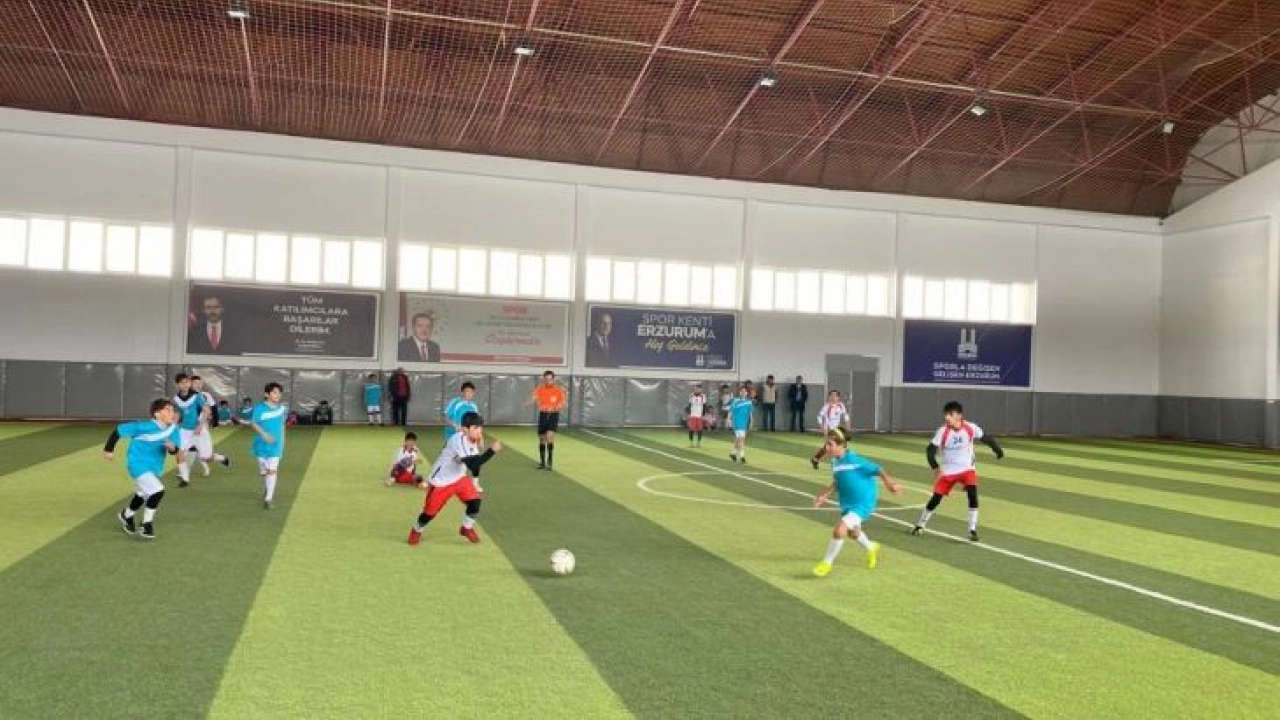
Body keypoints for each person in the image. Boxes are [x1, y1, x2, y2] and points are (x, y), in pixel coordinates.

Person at [812, 431, 903, 577]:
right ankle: (871, 547)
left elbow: (878, 469)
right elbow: (837, 482)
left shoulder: (855, 460)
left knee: (839, 530)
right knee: (853, 533)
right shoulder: (835, 462)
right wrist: (825, 496)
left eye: (830, 444)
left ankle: (826, 563)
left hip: (863, 503)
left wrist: (890, 484)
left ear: (841, 445)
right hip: (848, 503)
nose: (826, 448)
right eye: (826, 444)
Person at [912, 401, 1004, 542]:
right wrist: (935, 467)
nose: (947, 417)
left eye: (950, 414)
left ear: (959, 415)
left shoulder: (970, 427)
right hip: (948, 471)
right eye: (945, 414)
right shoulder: (942, 431)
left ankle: (972, 530)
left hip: (967, 469)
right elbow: (930, 450)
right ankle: (920, 525)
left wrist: (998, 450)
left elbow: (986, 438)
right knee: (936, 499)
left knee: (972, 493)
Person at [408, 412, 501, 546]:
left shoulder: (472, 439)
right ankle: (416, 530)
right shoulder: (458, 441)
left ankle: (466, 528)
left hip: (459, 478)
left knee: (475, 502)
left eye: (480, 427)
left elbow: (475, 460)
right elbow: (474, 464)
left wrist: (475, 482)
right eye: (476, 427)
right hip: (441, 481)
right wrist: (492, 451)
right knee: (429, 513)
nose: (479, 431)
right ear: (465, 429)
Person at [103, 398, 183, 540]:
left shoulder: (173, 430)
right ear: (157, 414)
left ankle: (126, 515)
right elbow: (118, 431)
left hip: (154, 467)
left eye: (173, 410)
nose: (172, 413)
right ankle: (146, 524)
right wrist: (109, 450)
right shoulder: (143, 426)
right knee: (157, 491)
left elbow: (174, 450)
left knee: (143, 494)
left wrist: (172, 448)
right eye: (168, 410)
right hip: (137, 464)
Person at [251, 382, 288, 510]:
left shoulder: (282, 409)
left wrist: (283, 443)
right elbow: (254, 423)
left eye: (279, 393)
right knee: (265, 472)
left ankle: (269, 498)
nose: (278, 395)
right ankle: (268, 488)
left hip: (276, 446)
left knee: (272, 471)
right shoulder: (259, 408)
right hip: (261, 445)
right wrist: (264, 434)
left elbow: (282, 426)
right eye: (274, 392)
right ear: (266, 394)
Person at [189, 375, 231, 477]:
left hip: (201, 426)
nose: (198, 385)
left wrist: (215, 423)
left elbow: (214, 408)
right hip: (188, 427)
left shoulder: (205, 395)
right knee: (191, 449)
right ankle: (199, 470)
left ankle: (222, 458)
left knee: (202, 452)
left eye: (200, 383)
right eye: (195, 383)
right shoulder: (185, 396)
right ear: (190, 384)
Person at [528, 371, 567, 470]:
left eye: (550, 379)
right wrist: (529, 402)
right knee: (542, 439)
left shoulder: (558, 390)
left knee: (549, 437)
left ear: (553, 379)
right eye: (546, 379)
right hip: (543, 415)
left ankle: (550, 462)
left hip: (553, 415)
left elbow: (563, 403)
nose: (548, 381)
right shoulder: (540, 389)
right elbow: (533, 397)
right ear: (543, 379)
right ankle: (542, 462)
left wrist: (558, 406)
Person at [171, 373, 204, 488]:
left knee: (207, 457)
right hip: (184, 430)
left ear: (190, 383)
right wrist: (174, 424)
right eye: (182, 383)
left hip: (199, 430)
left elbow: (207, 411)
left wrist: (200, 425)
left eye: (187, 382)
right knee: (179, 452)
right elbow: (177, 414)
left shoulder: (197, 396)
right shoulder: (176, 399)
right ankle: (185, 478)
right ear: (177, 385)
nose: (185, 385)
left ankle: (222, 458)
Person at [811, 390, 852, 469]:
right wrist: (823, 429)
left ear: (838, 397)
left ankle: (815, 459)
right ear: (829, 397)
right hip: (829, 429)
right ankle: (836, 463)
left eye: (835, 396)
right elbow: (819, 417)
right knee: (835, 446)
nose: (833, 397)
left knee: (830, 447)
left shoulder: (841, 405)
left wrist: (847, 427)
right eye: (831, 395)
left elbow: (846, 416)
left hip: (837, 429)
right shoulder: (827, 406)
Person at [727, 385, 754, 464]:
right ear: (739, 392)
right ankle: (742, 456)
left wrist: (751, 421)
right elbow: (730, 411)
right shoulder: (735, 401)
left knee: (739, 439)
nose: (743, 393)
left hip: (744, 423)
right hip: (736, 422)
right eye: (741, 391)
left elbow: (750, 413)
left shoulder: (749, 402)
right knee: (741, 439)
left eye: (744, 391)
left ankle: (733, 453)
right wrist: (728, 420)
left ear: (746, 393)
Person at [685, 383, 707, 448]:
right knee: (691, 429)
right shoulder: (691, 395)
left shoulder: (703, 396)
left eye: (698, 388)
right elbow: (689, 405)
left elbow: (704, 406)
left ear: (701, 389)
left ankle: (698, 443)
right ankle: (691, 443)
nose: (697, 389)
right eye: (695, 388)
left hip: (699, 415)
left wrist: (703, 415)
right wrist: (689, 414)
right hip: (693, 415)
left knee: (700, 429)